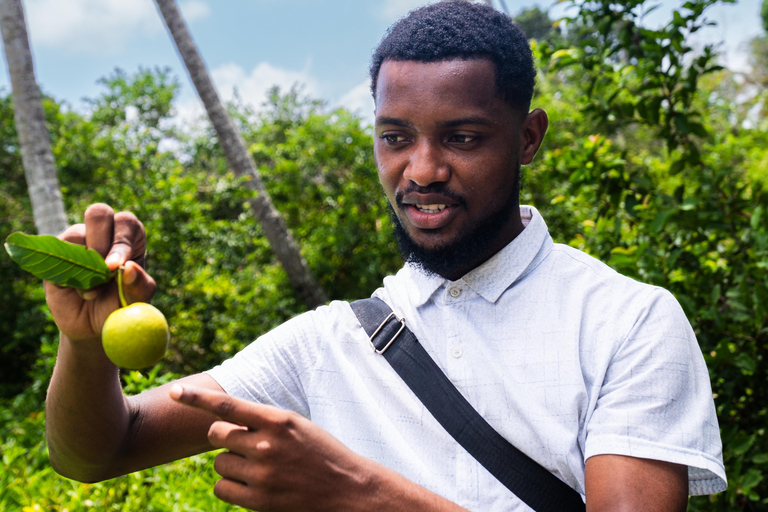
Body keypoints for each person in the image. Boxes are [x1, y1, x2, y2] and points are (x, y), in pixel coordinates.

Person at [44, 2, 726, 511]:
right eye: (395, 137)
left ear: (527, 137)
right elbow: (102, 448)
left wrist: (356, 488)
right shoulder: (328, 343)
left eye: (461, 138)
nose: (421, 170)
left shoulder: (627, 322)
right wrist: (84, 345)